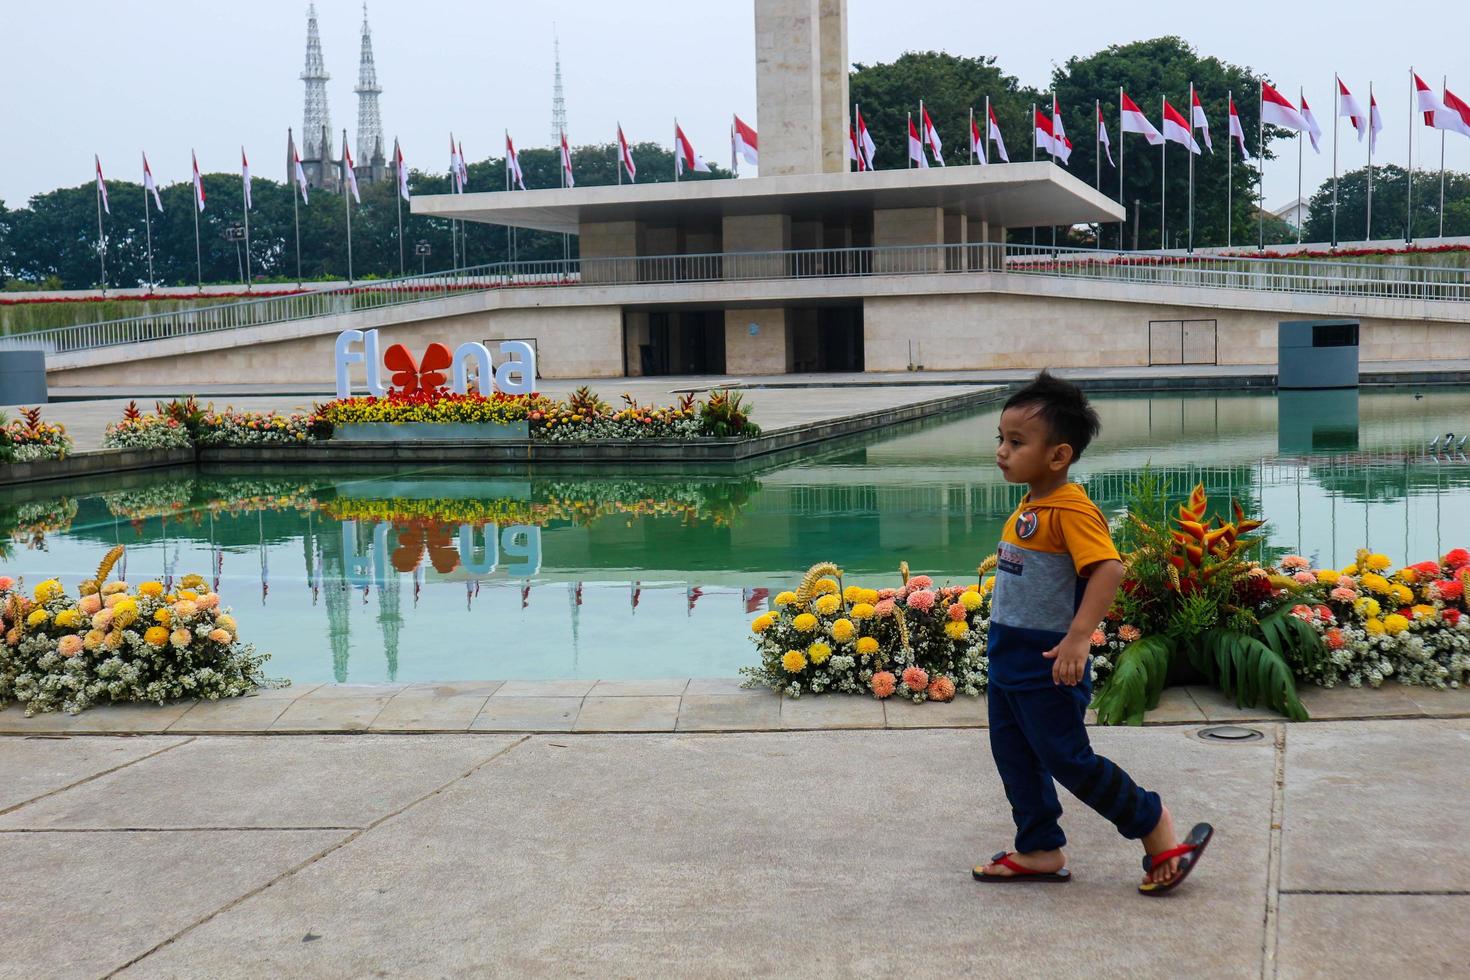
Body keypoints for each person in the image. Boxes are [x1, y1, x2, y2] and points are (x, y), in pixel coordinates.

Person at [973, 370, 1211, 895]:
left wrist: (1079, 637)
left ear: (1058, 456)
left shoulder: (1072, 508)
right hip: (1010, 661)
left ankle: (1154, 826)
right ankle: (1038, 848)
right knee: (1015, 758)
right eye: (1001, 439)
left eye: (1016, 442)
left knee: (1068, 760)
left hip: (1047, 662)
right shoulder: (1033, 503)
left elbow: (1109, 569)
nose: (1002, 451)